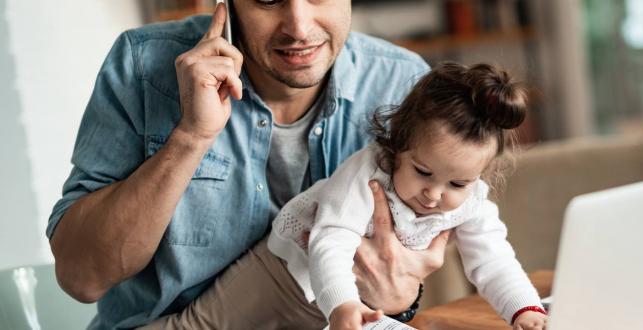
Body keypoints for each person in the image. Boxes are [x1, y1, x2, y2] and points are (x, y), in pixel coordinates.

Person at [46, 1, 448, 329]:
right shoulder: (143, 65)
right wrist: (191, 137)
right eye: (268, 0)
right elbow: (83, 278)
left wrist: (402, 299)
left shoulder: (402, 83)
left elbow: (403, 275)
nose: (299, 27)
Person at [147, 62, 549, 330]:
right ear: (398, 146)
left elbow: (494, 259)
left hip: (347, 306)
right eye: (423, 172)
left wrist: (525, 310)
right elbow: (331, 241)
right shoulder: (370, 170)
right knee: (201, 326)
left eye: (457, 184)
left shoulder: (474, 201)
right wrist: (341, 305)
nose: (434, 194)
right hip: (286, 271)